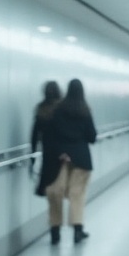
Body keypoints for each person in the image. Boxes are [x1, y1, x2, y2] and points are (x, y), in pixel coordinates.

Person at [45, 78, 97, 243]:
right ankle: (77, 230)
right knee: (77, 195)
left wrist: (61, 151)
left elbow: (51, 135)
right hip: (81, 158)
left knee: (55, 194)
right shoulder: (85, 110)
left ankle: (55, 231)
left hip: (61, 159)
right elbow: (92, 136)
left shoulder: (58, 110)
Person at [31, 80, 62, 215]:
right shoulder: (63, 108)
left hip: (47, 155)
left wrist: (33, 155)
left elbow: (34, 134)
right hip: (63, 154)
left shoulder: (40, 109)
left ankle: (54, 227)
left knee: (51, 190)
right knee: (60, 189)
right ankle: (58, 223)